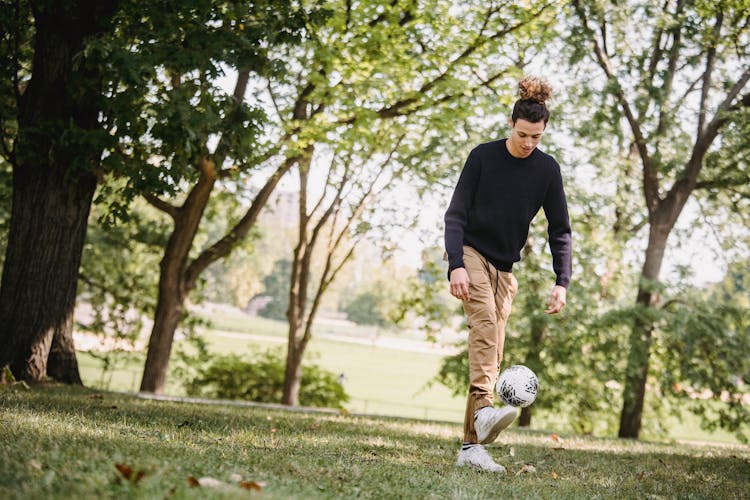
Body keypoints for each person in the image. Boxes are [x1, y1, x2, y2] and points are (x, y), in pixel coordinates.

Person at [444, 76, 572, 473]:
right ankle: (484, 409)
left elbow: (560, 229)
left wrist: (561, 280)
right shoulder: (483, 156)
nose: (528, 143)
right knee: (483, 322)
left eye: (536, 136)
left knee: (492, 350)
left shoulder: (547, 171)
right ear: (511, 125)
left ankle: (470, 448)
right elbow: (455, 215)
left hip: (505, 268)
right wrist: (456, 264)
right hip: (471, 252)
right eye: (522, 134)